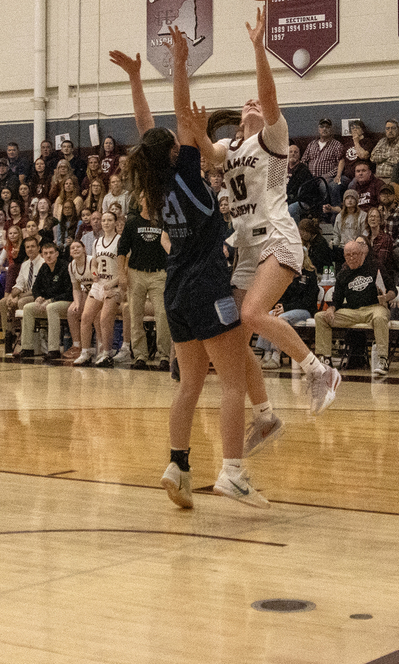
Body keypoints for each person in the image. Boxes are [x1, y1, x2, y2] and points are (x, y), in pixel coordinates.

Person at [112, 29, 267, 509]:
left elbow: (148, 130)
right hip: (205, 283)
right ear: (177, 153)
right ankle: (234, 472)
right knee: (234, 380)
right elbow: (179, 117)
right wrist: (179, 63)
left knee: (190, 385)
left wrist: (137, 79)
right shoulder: (186, 174)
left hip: (176, 287)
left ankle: (177, 463)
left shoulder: (155, 181)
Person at [196, 8, 342, 436]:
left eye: (259, 101)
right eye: (248, 103)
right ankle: (264, 416)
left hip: (277, 236)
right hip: (244, 247)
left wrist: (259, 48)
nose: (254, 102)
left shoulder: (272, 138)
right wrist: (190, 122)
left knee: (255, 313)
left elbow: (269, 94)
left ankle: (319, 370)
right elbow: (205, 149)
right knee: (235, 341)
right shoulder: (230, 147)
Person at [314, 238, 395, 377]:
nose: (351, 258)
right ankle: (325, 359)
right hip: (351, 312)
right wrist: (331, 309)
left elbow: (394, 290)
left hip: (373, 308)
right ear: (344, 257)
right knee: (320, 317)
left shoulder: (375, 266)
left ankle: (383, 359)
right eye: (347, 255)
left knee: (380, 317)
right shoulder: (343, 274)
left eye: (354, 254)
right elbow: (337, 300)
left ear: (361, 253)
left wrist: (386, 297)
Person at [118, 192, 172, 371]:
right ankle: (140, 355)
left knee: (162, 314)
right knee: (135, 315)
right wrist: (122, 275)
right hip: (136, 273)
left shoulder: (163, 222)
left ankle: (164, 355)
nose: (148, 200)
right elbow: (122, 250)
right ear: (140, 201)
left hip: (159, 273)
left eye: (151, 197)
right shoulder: (132, 222)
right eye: (144, 197)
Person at [77, 209, 126, 367]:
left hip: (114, 285)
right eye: (103, 220)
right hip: (99, 285)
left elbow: (125, 269)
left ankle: (107, 353)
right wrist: (93, 273)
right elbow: (93, 263)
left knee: (105, 319)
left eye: (109, 220)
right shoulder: (97, 242)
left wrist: (111, 284)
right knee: (86, 317)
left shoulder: (120, 241)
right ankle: (85, 352)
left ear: (115, 223)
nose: (105, 223)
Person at [17, 239, 73, 362]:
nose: (48, 256)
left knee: (51, 308)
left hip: (66, 302)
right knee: (28, 308)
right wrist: (38, 297)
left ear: (56, 253)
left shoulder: (65, 267)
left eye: (51, 252)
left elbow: (69, 293)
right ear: (42, 255)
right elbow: (36, 287)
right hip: (48, 302)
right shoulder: (44, 267)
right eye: (46, 253)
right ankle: (27, 347)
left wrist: (51, 300)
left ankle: (53, 350)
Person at [0, 233, 42, 354]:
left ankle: (24, 339)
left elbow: (37, 288)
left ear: (38, 248)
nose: (30, 249)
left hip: (37, 295)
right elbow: (19, 284)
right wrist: (12, 296)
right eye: (27, 247)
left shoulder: (43, 263)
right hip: (24, 293)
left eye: (33, 246)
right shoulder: (25, 264)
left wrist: (19, 296)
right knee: (3, 302)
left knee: (22, 302)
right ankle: (9, 334)